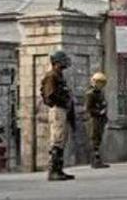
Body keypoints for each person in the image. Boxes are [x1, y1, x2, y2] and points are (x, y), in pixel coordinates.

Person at [40, 50, 76, 181]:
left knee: (61, 139)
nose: (64, 64)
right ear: (56, 63)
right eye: (62, 61)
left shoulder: (59, 75)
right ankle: (53, 171)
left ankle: (59, 169)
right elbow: (50, 94)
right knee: (57, 139)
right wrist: (63, 101)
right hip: (57, 109)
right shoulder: (52, 76)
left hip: (62, 109)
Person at [85, 72, 110, 169]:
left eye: (102, 83)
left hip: (100, 118)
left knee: (98, 138)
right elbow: (88, 108)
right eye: (99, 83)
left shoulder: (100, 93)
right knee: (94, 138)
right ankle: (95, 160)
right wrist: (99, 112)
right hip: (93, 118)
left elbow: (103, 104)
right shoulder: (90, 93)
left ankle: (98, 159)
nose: (101, 85)